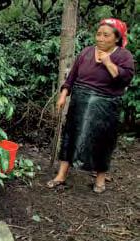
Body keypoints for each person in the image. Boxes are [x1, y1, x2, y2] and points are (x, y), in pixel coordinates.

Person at [47, 18, 134, 193]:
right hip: (79, 101)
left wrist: (108, 62)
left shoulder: (124, 56)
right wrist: (63, 95)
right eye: (98, 34)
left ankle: (100, 179)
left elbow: (125, 78)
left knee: (103, 141)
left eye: (106, 35)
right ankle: (61, 175)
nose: (100, 38)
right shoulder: (86, 52)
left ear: (117, 39)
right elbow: (71, 77)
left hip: (105, 105)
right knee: (70, 137)